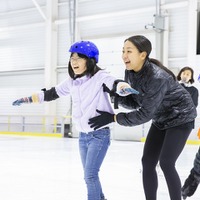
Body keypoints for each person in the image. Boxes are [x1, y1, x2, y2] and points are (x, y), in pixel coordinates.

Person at [12, 40, 133, 200]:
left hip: (99, 135)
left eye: (78, 58)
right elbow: (51, 93)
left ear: (89, 60)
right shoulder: (72, 82)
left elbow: (115, 83)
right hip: (83, 137)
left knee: (90, 176)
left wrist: (123, 87)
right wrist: (28, 99)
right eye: (72, 58)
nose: (73, 62)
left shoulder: (100, 77)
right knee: (90, 176)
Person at [88, 35, 197, 200]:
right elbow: (136, 101)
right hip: (160, 118)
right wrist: (114, 96)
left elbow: (145, 114)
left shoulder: (158, 77)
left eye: (129, 51)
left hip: (181, 117)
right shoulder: (130, 72)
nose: (124, 55)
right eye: (123, 51)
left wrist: (113, 118)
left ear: (143, 54)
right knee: (147, 162)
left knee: (167, 163)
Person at [177, 66, 200, 199]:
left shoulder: (193, 91)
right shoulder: (175, 87)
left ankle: (185, 192)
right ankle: (184, 192)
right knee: (197, 169)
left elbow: (193, 106)